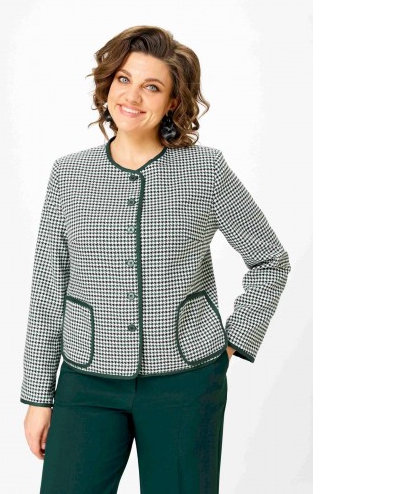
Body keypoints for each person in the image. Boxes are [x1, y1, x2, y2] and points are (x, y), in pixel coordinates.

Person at [21, 25, 291, 494]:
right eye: (123, 79)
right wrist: (38, 396)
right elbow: (48, 288)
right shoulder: (69, 174)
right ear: (107, 86)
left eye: (151, 86)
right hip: (86, 381)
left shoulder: (205, 170)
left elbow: (270, 259)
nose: (132, 96)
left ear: (172, 102)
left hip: (186, 383)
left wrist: (232, 342)